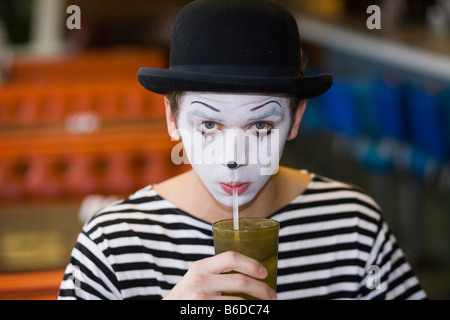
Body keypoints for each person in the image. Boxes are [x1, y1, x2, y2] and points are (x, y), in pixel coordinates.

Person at [58, 0, 426, 300]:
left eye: (261, 126)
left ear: (296, 120)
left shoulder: (354, 226)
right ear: (172, 119)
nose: (234, 157)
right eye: (208, 125)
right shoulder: (113, 243)